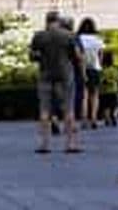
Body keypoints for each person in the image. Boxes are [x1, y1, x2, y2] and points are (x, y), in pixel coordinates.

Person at [30, 9, 81, 153]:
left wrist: (43, 58)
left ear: (46, 21)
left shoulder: (39, 36)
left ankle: (44, 144)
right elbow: (77, 56)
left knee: (44, 110)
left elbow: (32, 56)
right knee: (68, 109)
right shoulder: (69, 36)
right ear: (59, 21)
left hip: (45, 73)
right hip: (65, 74)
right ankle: (70, 144)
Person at [77, 16, 104, 129]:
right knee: (95, 95)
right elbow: (100, 55)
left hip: (82, 69)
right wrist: (99, 65)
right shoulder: (98, 39)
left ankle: (84, 120)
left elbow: (78, 55)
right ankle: (93, 119)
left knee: (84, 95)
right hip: (95, 68)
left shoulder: (78, 39)